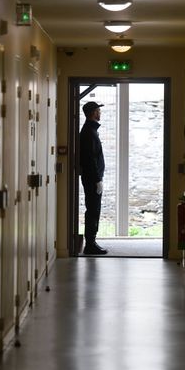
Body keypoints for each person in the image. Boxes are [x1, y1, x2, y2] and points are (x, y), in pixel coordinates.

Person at [79, 101, 109, 255]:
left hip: (93, 178)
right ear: (92, 113)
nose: (100, 112)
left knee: (93, 209)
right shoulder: (89, 132)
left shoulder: (91, 130)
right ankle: (90, 244)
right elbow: (90, 158)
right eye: (98, 110)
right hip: (92, 179)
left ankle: (91, 241)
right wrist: (97, 179)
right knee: (93, 210)